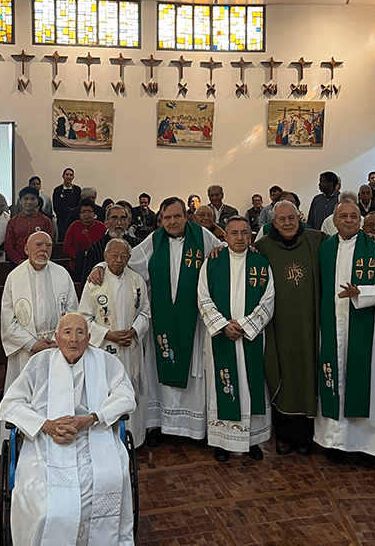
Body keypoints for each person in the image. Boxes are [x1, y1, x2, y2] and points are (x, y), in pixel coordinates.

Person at [88, 197, 222, 444]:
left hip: (193, 321)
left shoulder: (203, 236)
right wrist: (100, 265)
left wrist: (223, 248)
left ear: (186, 216)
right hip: (162, 319)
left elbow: (224, 252)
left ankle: (193, 428)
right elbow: (128, 259)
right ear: (161, 219)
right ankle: (161, 425)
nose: (172, 222)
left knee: (193, 374)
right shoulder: (154, 240)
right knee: (158, 370)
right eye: (167, 217)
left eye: (177, 216)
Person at [0, 313, 135, 546]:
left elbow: (126, 396)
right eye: (67, 332)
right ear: (56, 337)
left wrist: (92, 418)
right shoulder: (39, 363)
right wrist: (45, 425)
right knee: (43, 503)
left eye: (80, 333)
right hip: (45, 441)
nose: (74, 339)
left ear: (89, 337)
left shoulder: (105, 361)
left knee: (109, 477)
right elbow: (10, 404)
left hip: (95, 434)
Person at [314, 200, 375, 466]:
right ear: (335, 220)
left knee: (365, 382)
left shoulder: (373, 248)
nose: (349, 220)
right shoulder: (324, 248)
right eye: (343, 216)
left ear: (360, 220)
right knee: (333, 378)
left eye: (354, 216)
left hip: (365, 329)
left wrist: (360, 293)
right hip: (330, 327)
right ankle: (333, 441)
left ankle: (366, 445)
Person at [198, 217, 275, 462]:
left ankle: (251, 440)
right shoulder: (212, 262)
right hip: (222, 337)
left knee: (252, 387)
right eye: (234, 233)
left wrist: (245, 325)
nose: (239, 237)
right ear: (226, 236)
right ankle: (222, 442)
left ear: (251, 236)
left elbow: (269, 298)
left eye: (244, 233)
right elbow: (203, 296)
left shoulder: (261, 263)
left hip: (249, 336)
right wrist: (223, 325)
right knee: (224, 385)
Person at [254, 200, 327, 455]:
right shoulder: (262, 247)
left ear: (300, 218)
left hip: (310, 322)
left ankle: (306, 437)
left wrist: (373, 237)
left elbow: (345, 244)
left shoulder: (317, 240)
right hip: (278, 326)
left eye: (292, 218)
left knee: (309, 372)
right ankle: (283, 436)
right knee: (281, 373)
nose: (287, 223)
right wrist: (216, 250)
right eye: (282, 219)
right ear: (272, 222)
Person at [0, 231, 78, 442]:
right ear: (26, 249)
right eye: (38, 245)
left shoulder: (62, 274)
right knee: (24, 397)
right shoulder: (14, 278)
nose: (43, 249)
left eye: (48, 245)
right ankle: (20, 443)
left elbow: (73, 313)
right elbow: (8, 321)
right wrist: (32, 344)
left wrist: (60, 341)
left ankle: (56, 437)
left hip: (57, 350)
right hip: (26, 353)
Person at [79, 239, 150, 447]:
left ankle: (133, 438)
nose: (119, 260)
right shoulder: (94, 283)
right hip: (105, 350)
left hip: (131, 348)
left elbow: (145, 312)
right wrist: (108, 335)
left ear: (129, 258)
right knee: (107, 394)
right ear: (105, 256)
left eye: (124, 256)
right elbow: (84, 319)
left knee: (131, 390)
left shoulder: (137, 280)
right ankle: (107, 442)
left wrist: (134, 331)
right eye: (114, 255)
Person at [81, 204, 141, 279]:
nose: (119, 223)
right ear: (106, 222)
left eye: (123, 218)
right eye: (114, 218)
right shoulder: (95, 248)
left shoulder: (136, 244)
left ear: (128, 222)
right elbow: (87, 279)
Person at [6, 187, 53, 266]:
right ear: (20, 201)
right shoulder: (13, 222)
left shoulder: (46, 221)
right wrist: (20, 261)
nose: (29, 202)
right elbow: (8, 246)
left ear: (37, 201)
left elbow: (49, 243)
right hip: (17, 265)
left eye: (32, 199)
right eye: (26, 199)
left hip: (40, 263)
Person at [64, 199, 107, 282]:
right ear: (79, 214)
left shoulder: (101, 227)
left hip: (98, 266)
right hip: (78, 265)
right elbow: (66, 247)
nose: (86, 214)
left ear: (94, 213)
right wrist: (79, 255)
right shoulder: (74, 226)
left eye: (90, 211)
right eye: (83, 212)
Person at [53, 167, 82, 241]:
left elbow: (79, 205)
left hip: (74, 220)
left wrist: (73, 214)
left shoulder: (77, 190)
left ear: (73, 177)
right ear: (63, 176)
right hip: (62, 221)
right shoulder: (57, 190)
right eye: (67, 175)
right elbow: (56, 206)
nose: (68, 177)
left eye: (71, 175)